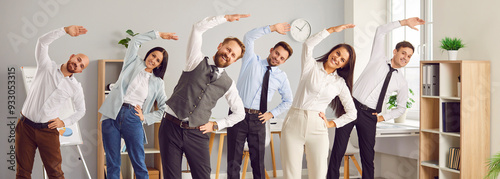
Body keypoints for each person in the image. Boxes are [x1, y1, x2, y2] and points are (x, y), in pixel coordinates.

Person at [326, 17, 425, 179]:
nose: (405, 58)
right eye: (403, 53)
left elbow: (401, 107)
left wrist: (382, 117)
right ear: (395, 51)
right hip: (351, 106)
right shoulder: (377, 59)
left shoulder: (402, 82)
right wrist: (405, 23)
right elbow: (380, 31)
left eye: (409, 56)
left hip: (369, 116)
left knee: (367, 157)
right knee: (338, 150)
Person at [158, 14, 249, 179]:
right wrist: (225, 18)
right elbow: (197, 28)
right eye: (228, 49)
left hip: (197, 134)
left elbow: (240, 113)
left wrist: (216, 125)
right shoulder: (195, 60)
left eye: (233, 55)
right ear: (220, 46)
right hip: (170, 128)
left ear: (234, 61)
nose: (229, 55)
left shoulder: (229, 84)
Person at [280, 24, 357, 179]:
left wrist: (332, 123)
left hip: (318, 128)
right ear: (332, 51)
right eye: (337, 53)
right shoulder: (311, 67)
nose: (337, 58)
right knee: (291, 174)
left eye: (342, 59)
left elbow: (352, 113)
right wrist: (332, 30)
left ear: (344, 65)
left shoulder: (340, 83)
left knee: (319, 175)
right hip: (294, 121)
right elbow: (308, 44)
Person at [98, 30, 178, 179]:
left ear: (160, 65)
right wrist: (159, 34)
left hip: (133, 117)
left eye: (158, 60)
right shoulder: (133, 62)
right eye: (153, 55)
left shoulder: (158, 83)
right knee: (112, 163)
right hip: (111, 114)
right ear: (148, 54)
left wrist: (145, 117)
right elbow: (135, 41)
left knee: (139, 163)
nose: (153, 60)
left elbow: (163, 109)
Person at [16, 25, 89, 179]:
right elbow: (42, 42)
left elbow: (81, 110)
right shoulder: (46, 66)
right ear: (72, 56)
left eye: (81, 65)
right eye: (78, 60)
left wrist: (64, 122)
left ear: (80, 71)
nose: (77, 64)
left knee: (55, 174)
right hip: (25, 127)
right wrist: (65, 30)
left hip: (47, 131)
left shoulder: (75, 88)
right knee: (23, 173)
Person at [227, 22, 294, 179]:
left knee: (258, 163)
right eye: (276, 53)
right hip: (238, 115)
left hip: (259, 119)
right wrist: (272, 28)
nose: (277, 58)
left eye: (282, 58)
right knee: (234, 161)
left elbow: (288, 100)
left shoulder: (281, 77)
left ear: (284, 61)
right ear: (271, 51)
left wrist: (271, 114)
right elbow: (248, 37)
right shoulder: (251, 61)